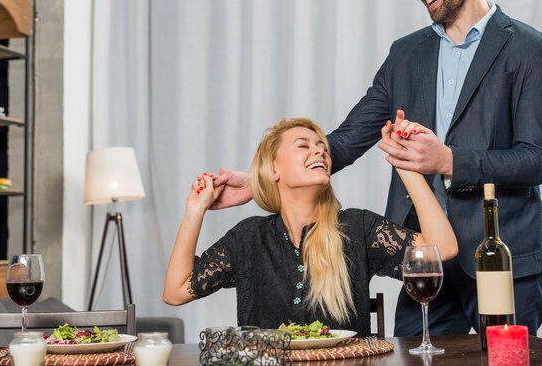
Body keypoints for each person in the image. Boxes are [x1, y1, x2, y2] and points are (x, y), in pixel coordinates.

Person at [208, 0, 542, 337]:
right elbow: (349, 136)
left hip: (501, 258)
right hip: (425, 259)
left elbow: (535, 159)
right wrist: (261, 180)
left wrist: (447, 160)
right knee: (410, 359)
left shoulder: (530, 49)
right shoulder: (405, 54)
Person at [163, 116, 458, 335]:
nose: (320, 152)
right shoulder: (248, 237)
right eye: (303, 145)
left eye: (322, 148)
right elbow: (175, 292)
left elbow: (442, 248)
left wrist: (404, 160)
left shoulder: (358, 228)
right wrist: (195, 210)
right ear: (273, 168)